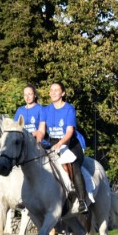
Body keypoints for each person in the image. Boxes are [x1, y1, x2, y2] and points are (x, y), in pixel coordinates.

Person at [37, 82, 88, 213]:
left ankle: (82, 201)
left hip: (70, 143)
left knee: (74, 165)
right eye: (51, 90)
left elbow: (69, 132)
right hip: (52, 143)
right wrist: (38, 141)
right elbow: (42, 129)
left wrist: (60, 144)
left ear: (63, 93)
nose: (53, 92)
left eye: (56, 90)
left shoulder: (69, 109)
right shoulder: (45, 110)